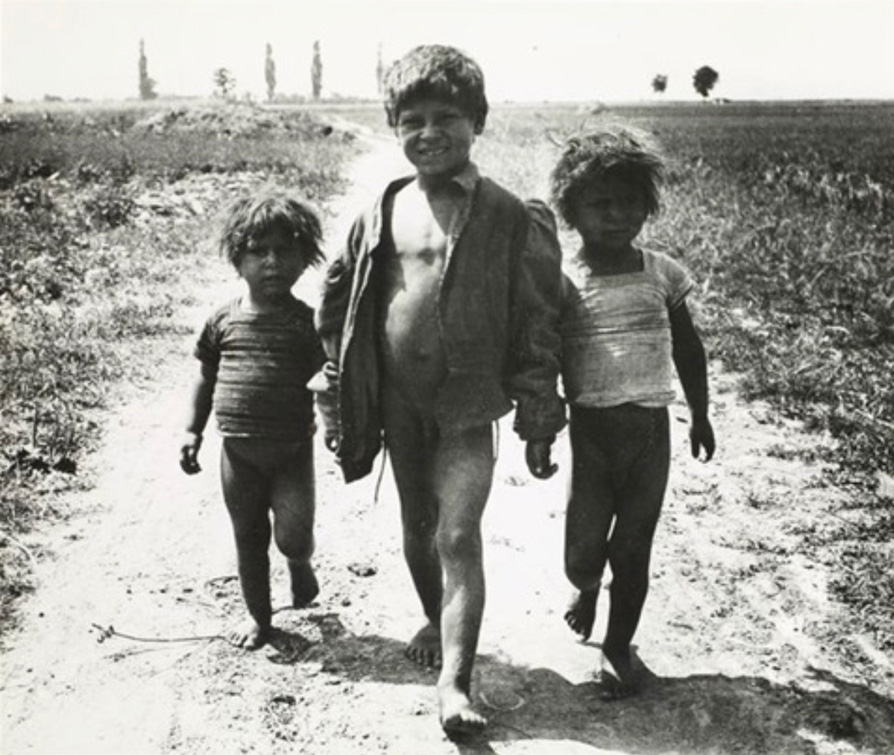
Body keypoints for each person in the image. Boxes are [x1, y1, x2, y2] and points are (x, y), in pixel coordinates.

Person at [314, 44, 566, 737]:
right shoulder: (381, 212)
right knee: (417, 529)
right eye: (412, 120)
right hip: (397, 402)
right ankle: (433, 611)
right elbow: (340, 311)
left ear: (477, 121)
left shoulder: (510, 215)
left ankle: (454, 682)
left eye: (446, 117)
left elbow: (539, 320)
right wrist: (338, 400)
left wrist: (540, 416)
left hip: (467, 404)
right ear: (395, 127)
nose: (429, 134)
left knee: (457, 532)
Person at [551, 128, 715, 698]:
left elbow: (689, 349)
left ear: (648, 206)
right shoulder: (563, 281)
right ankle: (586, 586)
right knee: (582, 552)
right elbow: (543, 353)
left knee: (633, 548)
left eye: (629, 202)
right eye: (599, 204)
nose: (616, 215)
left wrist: (701, 413)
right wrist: (541, 425)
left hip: (649, 433)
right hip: (590, 434)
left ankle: (618, 649)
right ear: (571, 211)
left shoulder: (661, 273)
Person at [179, 189, 327, 650]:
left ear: (305, 260)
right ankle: (259, 618)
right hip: (237, 454)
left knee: (293, 534)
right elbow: (206, 376)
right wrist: (192, 429)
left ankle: (300, 564)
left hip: (291, 453)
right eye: (258, 251)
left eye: (285, 251)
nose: (272, 262)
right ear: (237, 258)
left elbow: (329, 378)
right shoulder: (222, 320)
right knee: (248, 537)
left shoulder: (308, 324)